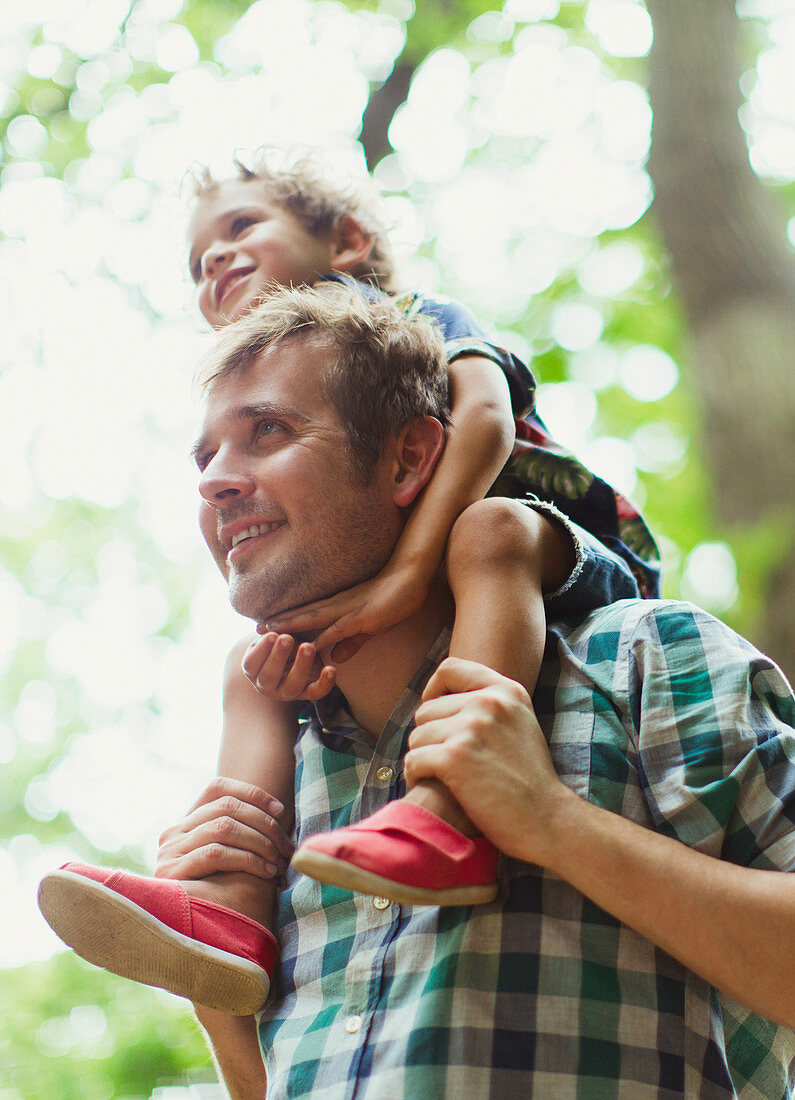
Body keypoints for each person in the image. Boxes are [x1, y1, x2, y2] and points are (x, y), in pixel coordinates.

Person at [38, 151, 657, 1016]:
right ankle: (229, 913)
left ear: (348, 241)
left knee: (485, 533)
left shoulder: (414, 317)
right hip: (449, 557)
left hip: (551, 535)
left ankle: (445, 810)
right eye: (196, 261)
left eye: (242, 226)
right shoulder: (285, 370)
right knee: (247, 666)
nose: (214, 258)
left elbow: (478, 418)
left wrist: (404, 579)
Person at [154, 286, 794, 1097]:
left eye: (266, 431)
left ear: (409, 458)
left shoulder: (644, 663)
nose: (216, 481)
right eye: (203, 457)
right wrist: (218, 1000)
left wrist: (555, 823)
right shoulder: (273, 777)